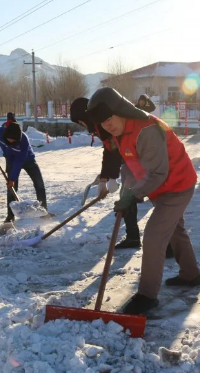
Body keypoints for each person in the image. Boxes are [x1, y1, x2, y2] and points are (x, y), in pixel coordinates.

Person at [87, 87, 200, 315]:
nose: (107, 126)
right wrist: (127, 191)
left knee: (154, 236)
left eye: (109, 119)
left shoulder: (145, 129)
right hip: (162, 186)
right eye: (103, 123)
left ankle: (147, 296)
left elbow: (157, 173)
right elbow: (129, 163)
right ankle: (191, 276)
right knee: (175, 230)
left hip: (177, 185)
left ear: (120, 110)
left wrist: (134, 196)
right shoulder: (121, 132)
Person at [71, 97, 174, 258]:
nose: (82, 125)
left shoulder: (105, 123)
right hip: (132, 162)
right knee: (127, 198)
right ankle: (134, 236)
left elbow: (113, 151)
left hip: (144, 160)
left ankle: (170, 243)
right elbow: (110, 149)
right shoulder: (100, 125)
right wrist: (105, 178)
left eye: (80, 122)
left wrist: (111, 178)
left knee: (159, 198)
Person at [0, 122, 48, 225]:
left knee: (39, 185)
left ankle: (44, 212)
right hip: (11, 161)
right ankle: (10, 216)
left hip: (28, 160)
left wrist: (12, 179)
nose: (10, 141)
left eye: (13, 139)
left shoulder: (24, 140)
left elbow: (19, 162)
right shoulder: (0, 133)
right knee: (11, 189)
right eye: (9, 139)